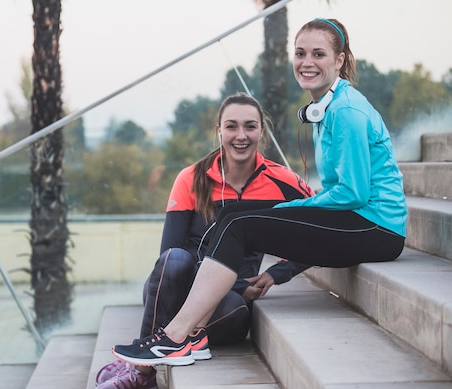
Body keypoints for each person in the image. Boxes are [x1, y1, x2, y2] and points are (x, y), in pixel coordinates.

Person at [111, 18, 408, 367]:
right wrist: (286, 226)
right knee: (233, 217)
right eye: (300, 53)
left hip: (375, 228)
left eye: (318, 54)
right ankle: (186, 336)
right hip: (357, 221)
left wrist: (292, 208)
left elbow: (352, 194)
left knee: (241, 223)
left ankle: (176, 337)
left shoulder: (347, 112)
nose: (306, 62)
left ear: (339, 60)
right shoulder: (328, 109)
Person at [93, 93, 314, 389]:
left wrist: (278, 273)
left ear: (262, 131)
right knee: (174, 260)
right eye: (231, 126)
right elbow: (168, 256)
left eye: (250, 127)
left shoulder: (282, 181)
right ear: (219, 130)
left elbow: (319, 230)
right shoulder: (192, 178)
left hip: (229, 303)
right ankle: (142, 369)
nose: (241, 136)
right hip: (177, 288)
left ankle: (138, 365)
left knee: (235, 307)